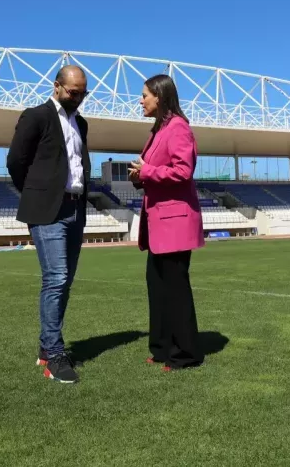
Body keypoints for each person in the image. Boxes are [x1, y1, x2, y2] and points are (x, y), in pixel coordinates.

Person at [6, 65, 90, 384]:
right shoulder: (36, 116)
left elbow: (78, 164)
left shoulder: (81, 123)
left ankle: (46, 347)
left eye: (83, 93)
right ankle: (54, 355)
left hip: (75, 209)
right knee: (56, 278)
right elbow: (16, 161)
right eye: (73, 92)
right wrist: (36, 192)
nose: (78, 98)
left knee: (65, 281)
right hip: (48, 210)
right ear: (56, 86)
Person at [129, 74, 205, 371]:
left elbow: (183, 171)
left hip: (174, 222)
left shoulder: (178, 128)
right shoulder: (158, 130)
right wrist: (140, 176)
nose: (140, 101)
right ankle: (162, 348)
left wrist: (147, 171)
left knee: (174, 289)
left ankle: (186, 353)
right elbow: (155, 170)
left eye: (144, 95)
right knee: (158, 288)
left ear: (159, 97)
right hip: (158, 222)